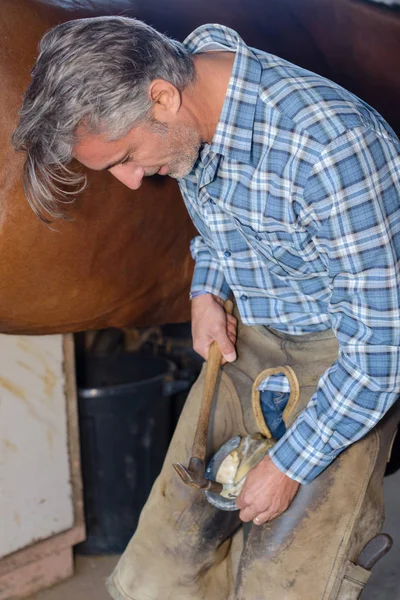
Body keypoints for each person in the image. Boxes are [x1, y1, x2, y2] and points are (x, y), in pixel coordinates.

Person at [13, 16, 400, 600]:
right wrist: (205, 291)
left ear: (162, 97)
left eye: (126, 157)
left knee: (280, 583)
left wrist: (289, 466)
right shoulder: (193, 109)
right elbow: (224, 226)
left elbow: (382, 353)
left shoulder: (332, 150)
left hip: (346, 364)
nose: (132, 182)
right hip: (250, 339)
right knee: (154, 577)